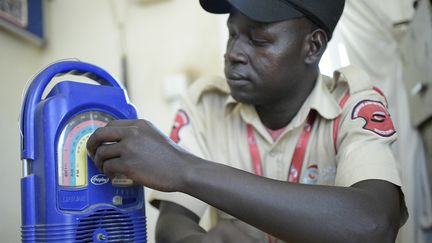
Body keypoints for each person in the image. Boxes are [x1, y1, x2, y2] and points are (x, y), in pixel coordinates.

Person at [87, 0, 408, 242]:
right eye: (232, 34)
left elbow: (374, 224)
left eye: (257, 40)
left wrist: (185, 169)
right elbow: (173, 223)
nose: (233, 53)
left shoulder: (354, 103)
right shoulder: (206, 106)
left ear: (312, 46)